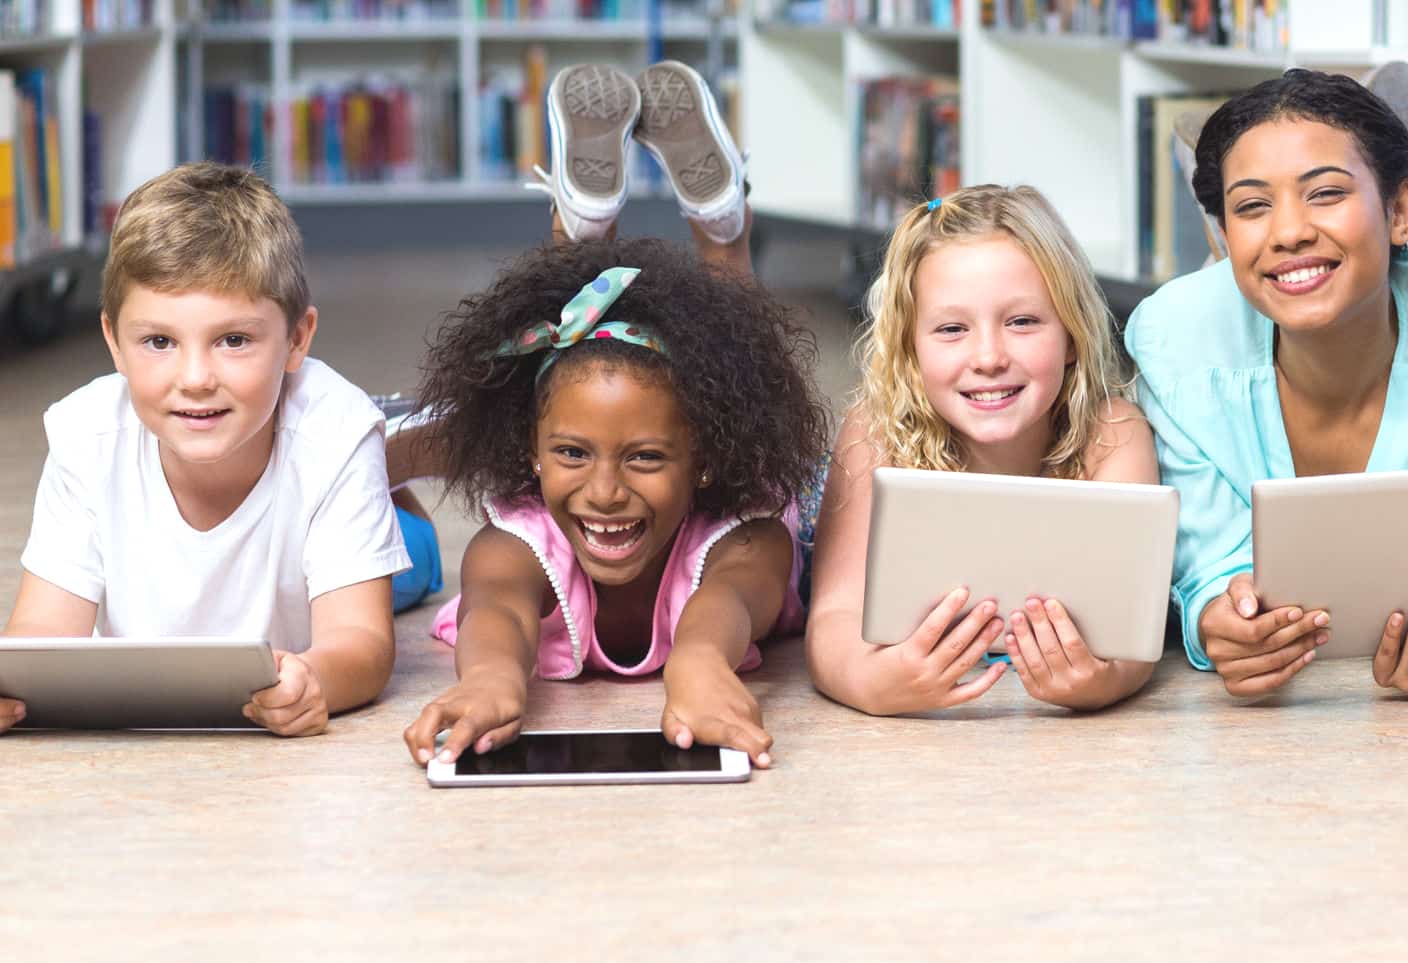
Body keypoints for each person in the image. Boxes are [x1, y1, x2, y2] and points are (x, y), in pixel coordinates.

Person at [399, 62, 829, 768]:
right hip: (603, 399)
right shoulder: (518, 538)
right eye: (570, 454)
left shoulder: (746, 533)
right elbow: (499, 609)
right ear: (530, 451)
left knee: (726, 346)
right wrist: (490, 679)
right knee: (573, 345)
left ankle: (696, 232)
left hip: (749, 477)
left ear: (706, 456)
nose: (604, 491)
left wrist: (698, 666)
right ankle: (646, 222)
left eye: (647, 458)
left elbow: (724, 603)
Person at [1125, 68, 1408, 700]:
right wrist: (1225, 618)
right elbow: (1210, 560)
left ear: (1401, 209)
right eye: (1251, 206)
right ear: (1223, 235)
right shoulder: (1171, 338)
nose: (1289, 231)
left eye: (1325, 193)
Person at [1, 164, 413, 736]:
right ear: (113, 343)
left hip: (320, 495)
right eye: (159, 342)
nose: (195, 378)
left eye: (233, 340)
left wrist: (314, 678)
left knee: (408, 567)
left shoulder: (337, 435)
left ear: (297, 339)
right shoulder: (85, 433)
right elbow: (40, 635)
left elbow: (364, 643)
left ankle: (400, 492)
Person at [805, 186, 1160, 714]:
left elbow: (1136, 631)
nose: (989, 357)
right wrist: (868, 682)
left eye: (1022, 322)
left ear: (1071, 336)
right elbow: (834, 616)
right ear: (910, 350)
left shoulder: (1114, 433)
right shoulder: (874, 432)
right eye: (952, 329)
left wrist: (1104, 682)